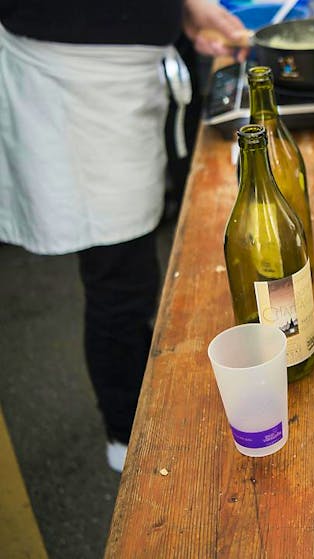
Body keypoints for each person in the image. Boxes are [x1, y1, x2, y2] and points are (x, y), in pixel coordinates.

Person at [0, 0, 247, 471]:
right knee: (119, 281)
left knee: (138, 265)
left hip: (133, 71)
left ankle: (142, 407)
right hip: (71, 81)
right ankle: (127, 436)